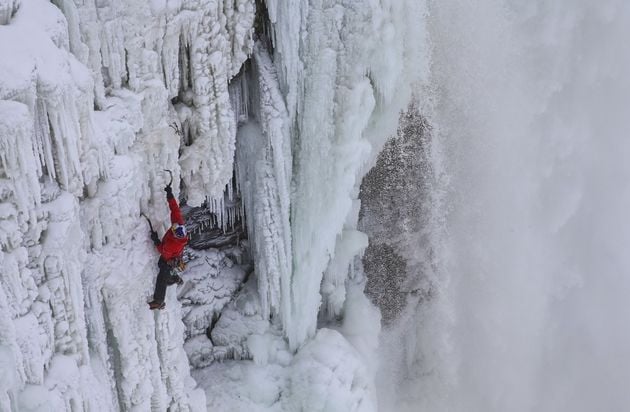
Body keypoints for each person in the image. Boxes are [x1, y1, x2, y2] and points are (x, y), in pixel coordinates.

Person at [148, 184, 188, 310]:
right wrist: (170, 195)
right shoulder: (178, 224)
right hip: (174, 255)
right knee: (161, 265)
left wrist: (156, 241)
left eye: (174, 229)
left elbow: (163, 251)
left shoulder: (172, 244)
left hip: (170, 257)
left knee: (162, 275)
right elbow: (175, 210)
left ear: (176, 235)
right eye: (174, 226)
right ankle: (174, 278)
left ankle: (159, 301)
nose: (173, 226)